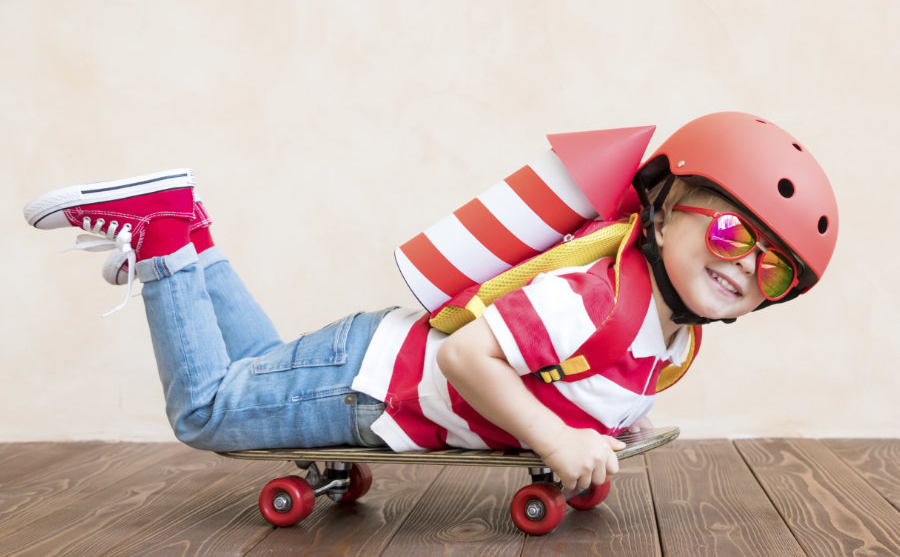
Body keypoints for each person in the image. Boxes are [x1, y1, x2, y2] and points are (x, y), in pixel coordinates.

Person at [22, 112, 838, 494]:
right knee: (205, 409)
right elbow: (464, 355)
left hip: (367, 370)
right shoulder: (598, 297)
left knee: (242, 372)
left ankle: (185, 229)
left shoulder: (665, 334)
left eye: (771, 272)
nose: (744, 268)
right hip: (371, 387)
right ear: (661, 207)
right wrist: (555, 440)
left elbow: (582, 382)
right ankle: (165, 239)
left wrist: (614, 423)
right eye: (733, 231)